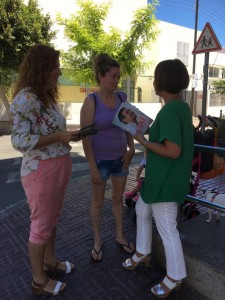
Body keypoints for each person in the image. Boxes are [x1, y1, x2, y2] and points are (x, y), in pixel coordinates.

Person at [10, 44, 80, 296]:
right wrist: (59, 136)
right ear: (42, 68)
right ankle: (39, 279)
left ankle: (50, 261)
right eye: (55, 66)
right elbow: (19, 141)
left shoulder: (44, 96)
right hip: (41, 170)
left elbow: (48, 131)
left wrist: (66, 136)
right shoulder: (27, 98)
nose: (59, 71)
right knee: (41, 224)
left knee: (51, 219)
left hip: (57, 166)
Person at [122, 59, 194, 298]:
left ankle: (175, 276)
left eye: (155, 77)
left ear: (163, 81)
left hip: (166, 180)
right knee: (142, 211)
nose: (153, 81)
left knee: (167, 228)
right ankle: (142, 252)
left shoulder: (172, 109)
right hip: (159, 178)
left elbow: (173, 151)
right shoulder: (178, 106)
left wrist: (143, 141)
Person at [80, 53, 135, 262]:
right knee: (98, 202)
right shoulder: (91, 101)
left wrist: (131, 148)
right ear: (101, 76)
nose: (117, 80)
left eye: (118, 76)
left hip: (120, 158)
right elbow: (85, 138)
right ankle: (97, 241)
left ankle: (120, 236)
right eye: (113, 76)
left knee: (117, 199)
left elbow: (128, 124)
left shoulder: (122, 97)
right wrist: (92, 166)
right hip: (100, 160)